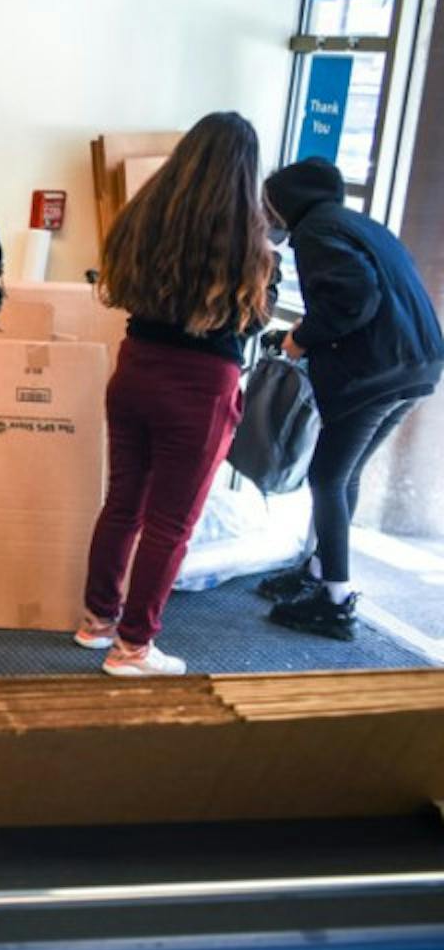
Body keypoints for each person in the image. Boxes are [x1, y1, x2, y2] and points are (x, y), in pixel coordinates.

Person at [74, 113, 276, 675]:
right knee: (171, 523)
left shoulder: (144, 214)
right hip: (200, 385)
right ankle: (134, 648)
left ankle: (98, 621)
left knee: (122, 505)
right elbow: (252, 317)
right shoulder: (246, 236)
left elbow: (116, 284)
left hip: (135, 367)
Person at [257, 156, 443, 637]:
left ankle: (334, 601)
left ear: (286, 204)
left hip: (376, 373)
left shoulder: (316, 231)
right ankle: (320, 571)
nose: (268, 216)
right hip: (416, 365)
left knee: (327, 477)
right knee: (345, 473)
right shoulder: (352, 223)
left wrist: (299, 340)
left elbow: (353, 298)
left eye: (270, 206)